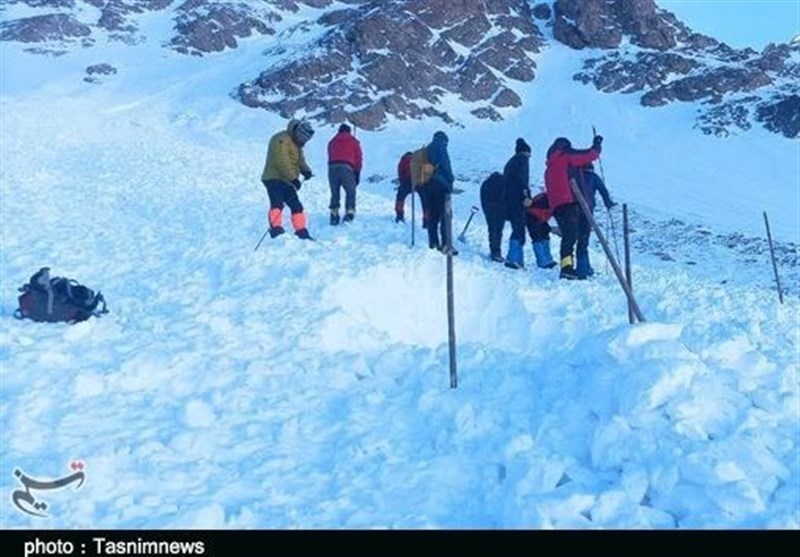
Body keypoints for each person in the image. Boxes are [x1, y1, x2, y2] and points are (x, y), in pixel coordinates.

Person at [543, 135, 602, 279]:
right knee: (578, 236)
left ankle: (567, 267)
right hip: (570, 202)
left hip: (557, 206)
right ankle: (571, 269)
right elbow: (589, 155)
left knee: (568, 237)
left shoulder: (549, 168)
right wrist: (597, 145)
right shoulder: (565, 156)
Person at [261, 119, 315, 240]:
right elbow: (282, 161)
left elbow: (300, 161)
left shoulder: (296, 143)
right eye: (303, 139)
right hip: (273, 177)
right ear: (298, 133)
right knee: (277, 203)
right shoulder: (281, 139)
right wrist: (294, 179)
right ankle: (276, 229)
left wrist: (306, 170)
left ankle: (301, 230)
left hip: (287, 180)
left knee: (296, 205)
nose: (303, 142)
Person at [575, 162, 616, 278]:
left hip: (574, 212)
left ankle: (584, 267)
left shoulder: (577, 176)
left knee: (578, 240)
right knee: (584, 241)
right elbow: (603, 191)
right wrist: (608, 203)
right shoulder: (594, 177)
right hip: (588, 211)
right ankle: (583, 269)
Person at [422, 131, 457, 254]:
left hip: (428, 186)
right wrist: (451, 179)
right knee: (445, 215)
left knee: (433, 215)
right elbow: (445, 164)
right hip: (441, 185)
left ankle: (433, 242)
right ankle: (446, 245)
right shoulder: (440, 147)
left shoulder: (427, 149)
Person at [502, 138, 532, 269]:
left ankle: (517, 259)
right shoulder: (522, 160)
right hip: (517, 199)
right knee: (519, 228)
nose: (530, 157)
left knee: (517, 227)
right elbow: (523, 180)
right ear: (525, 152)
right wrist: (526, 196)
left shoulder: (510, 162)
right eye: (529, 154)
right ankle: (514, 258)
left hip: (507, 199)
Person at [327, 123, 363, 225]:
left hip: (332, 167)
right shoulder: (354, 141)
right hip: (347, 167)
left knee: (335, 192)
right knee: (350, 191)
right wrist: (357, 173)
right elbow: (358, 158)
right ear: (349, 131)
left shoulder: (332, 142)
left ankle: (334, 214)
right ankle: (349, 212)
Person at [394, 151, 428, 226]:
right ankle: (426, 220)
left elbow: (400, 172)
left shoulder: (403, 159)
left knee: (400, 197)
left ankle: (399, 215)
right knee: (425, 200)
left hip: (407, 181)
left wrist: (402, 182)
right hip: (419, 182)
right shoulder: (418, 159)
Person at [525, 191, 557, 269]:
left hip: (541, 218)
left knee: (545, 234)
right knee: (537, 237)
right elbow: (529, 207)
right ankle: (542, 261)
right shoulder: (543, 198)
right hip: (531, 216)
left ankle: (548, 259)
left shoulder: (554, 199)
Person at [479, 171, 506, 262]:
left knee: (492, 230)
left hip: (489, 209)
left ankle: (494, 251)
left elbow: (482, 198)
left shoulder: (486, 183)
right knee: (498, 231)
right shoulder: (503, 182)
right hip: (500, 209)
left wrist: (486, 210)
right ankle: (496, 252)